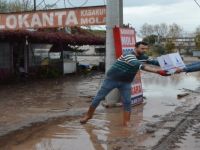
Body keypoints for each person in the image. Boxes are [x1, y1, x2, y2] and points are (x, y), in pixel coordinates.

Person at [80, 41, 169, 126]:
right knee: (98, 98)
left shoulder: (143, 57)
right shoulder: (128, 55)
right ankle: (88, 115)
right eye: (142, 49)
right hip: (111, 80)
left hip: (125, 82)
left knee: (127, 102)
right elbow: (140, 66)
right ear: (136, 48)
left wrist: (174, 64)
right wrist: (158, 71)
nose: (144, 51)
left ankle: (126, 122)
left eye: (146, 49)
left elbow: (156, 62)